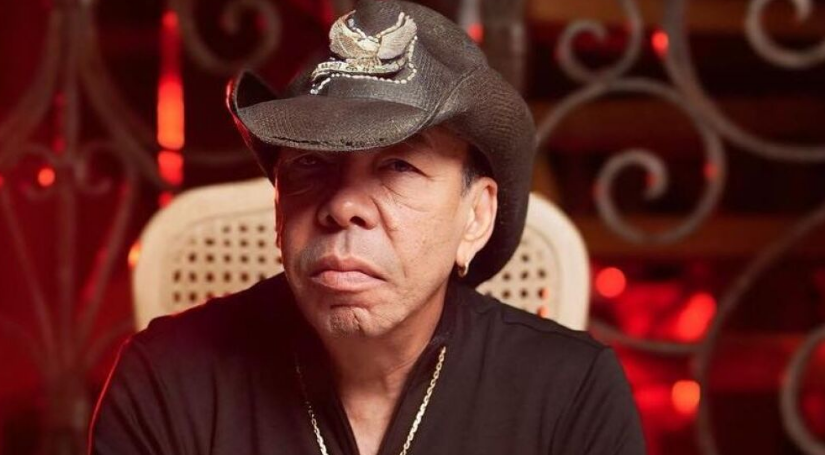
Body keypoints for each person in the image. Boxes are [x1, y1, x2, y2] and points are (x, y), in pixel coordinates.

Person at [88, 1, 646, 454]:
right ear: (278, 208)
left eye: (398, 166)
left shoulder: (571, 390)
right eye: (311, 164)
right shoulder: (166, 378)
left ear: (476, 217)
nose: (344, 205)